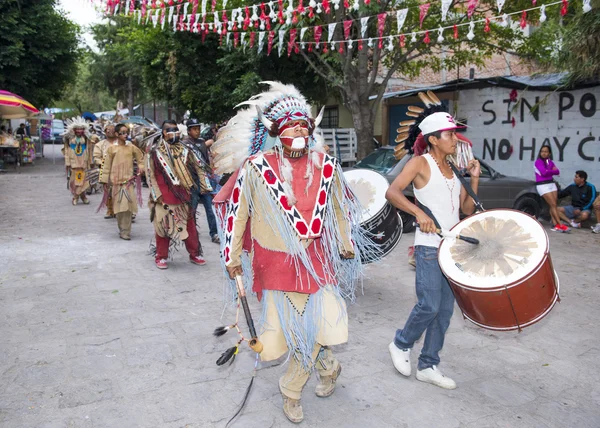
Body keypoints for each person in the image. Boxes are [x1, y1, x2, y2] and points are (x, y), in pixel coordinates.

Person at [213, 82, 376, 423]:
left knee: (323, 326)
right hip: (275, 263)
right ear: (276, 133)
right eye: (291, 129)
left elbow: (338, 210)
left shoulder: (327, 164)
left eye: (304, 128)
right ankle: (328, 366)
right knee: (287, 332)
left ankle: (291, 389)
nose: (299, 135)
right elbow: (239, 212)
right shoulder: (257, 167)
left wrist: (346, 244)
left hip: (318, 263)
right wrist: (232, 255)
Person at [386, 110, 480, 390]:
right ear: (434, 139)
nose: (455, 139)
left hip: (451, 248)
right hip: (427, 247)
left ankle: (428, 365)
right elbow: (392, 191)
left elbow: (465, 210)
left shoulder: (453, 169)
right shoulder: (419, 163)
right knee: (428, 305)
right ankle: (401, 343)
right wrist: (419, 213)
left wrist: (473, 178)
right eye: (450, 134)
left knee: (444, 311)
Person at [146, 120, 211, 269]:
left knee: (189, 228)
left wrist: (204, 185)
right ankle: (161, 256)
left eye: (176, 130)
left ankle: (195, 254)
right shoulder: (155, 152)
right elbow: (151, 175)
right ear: (163, 132)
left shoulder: (185, 150)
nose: (174, 133)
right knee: (163, 228)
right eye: (170, 130)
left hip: (184, 196)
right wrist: (157, 194)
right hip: (164, 197)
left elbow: (199, 167)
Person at [99, 124, 144, 240]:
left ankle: (126, 231)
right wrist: (104, 181)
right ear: (116, 134)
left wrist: (141, 166)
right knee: (119, 209)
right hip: (116, 183)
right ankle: (122, 229)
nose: (125, 135)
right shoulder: (111, 149)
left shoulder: (131, 147)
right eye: (122, 133)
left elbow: (140, 157)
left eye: (126, 132)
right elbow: (106, 166)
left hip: (128, 183)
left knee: (128, 208)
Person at [183, 118, 220, 244]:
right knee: (192, 209)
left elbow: (205, 160)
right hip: (191, 181)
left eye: (198, 129)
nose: (197, 131)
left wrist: (209, 174)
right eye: (194, 129)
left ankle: (214, 233)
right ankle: (191, 232)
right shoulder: (184, 144)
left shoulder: (202, 142)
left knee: (210, 208)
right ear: (188, 131)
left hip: (204, 179)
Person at [534, 145, 566, 232]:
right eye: (542, 151)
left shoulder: (549, 162)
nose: (544, 153)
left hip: (551, 184)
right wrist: (551, 171)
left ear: (549, 153)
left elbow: (558, 171)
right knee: (552, 204)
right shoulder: (538, 162)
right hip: (542, 185)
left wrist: (549, 171)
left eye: (546, 151)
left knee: (553, 205)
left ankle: (555, 224)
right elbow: (544, 173)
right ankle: (559, 224)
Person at [63, 117, 92, 205]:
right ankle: (77, 197)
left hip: (83, 161)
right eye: (77, 129)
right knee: (76, 180)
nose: (79, 131)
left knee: (84, 180)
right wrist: (67, 162)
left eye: (81, 129)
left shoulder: (87, 139)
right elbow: (66, 151)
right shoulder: (69, 139)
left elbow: (89, 150)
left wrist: (90, 162)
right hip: (74, 162)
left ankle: (80, 196)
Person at [95, 124, 118, 219]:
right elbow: (96, 157)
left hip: (120, 170)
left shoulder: (122, 143)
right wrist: (105, 164)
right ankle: (110, 209)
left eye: (113, 129)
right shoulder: (100, 145)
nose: (110, 131)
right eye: (108, 130)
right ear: (105, 131)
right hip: (106, 171)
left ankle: (122, 210)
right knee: (108, 191)